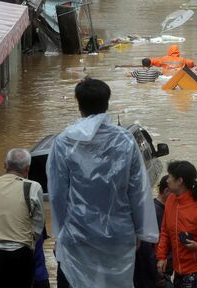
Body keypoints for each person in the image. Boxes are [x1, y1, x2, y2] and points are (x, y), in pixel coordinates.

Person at [47, 77, 159, 288]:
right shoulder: (124, 140)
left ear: (78, 104)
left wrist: (60, 232)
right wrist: (141, 231)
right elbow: (138, 190)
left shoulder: (63, 142)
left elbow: (57, 193)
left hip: (78, 233)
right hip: (119, 233)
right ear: (107, 103)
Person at [0, 148, 45, 288]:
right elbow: (38, 225)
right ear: (28, 169)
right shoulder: (33, 187)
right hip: (20, 252)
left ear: (5, 165)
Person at [156, 161, 197, 288]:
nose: (167, 180)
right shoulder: (171, 201)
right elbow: (165, 231)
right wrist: (161, 257)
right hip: (179, 267)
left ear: (180, 181)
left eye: (170, 177)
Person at [135, 176, 172, 288]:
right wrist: (157, 276)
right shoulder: (156, 212)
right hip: (154, 275)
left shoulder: (157, 208)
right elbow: (146, 248)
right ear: (166, 191)